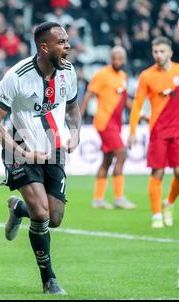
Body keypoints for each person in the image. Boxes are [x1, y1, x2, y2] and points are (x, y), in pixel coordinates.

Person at [0, 22, 80, 295]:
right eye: (61, 42)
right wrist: (24, 152)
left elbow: (73, 107)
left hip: (54, 150)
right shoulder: (16, 76)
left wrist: (76, 134)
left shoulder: (68, 72)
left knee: (56, 218)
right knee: (41, 214)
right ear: (44, 47)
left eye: (67, 41)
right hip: (20, 150)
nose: (68, 46)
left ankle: (17, 209)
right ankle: (49, 279)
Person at [128, 36, 179, 228]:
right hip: (157, 132)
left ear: (170, 52)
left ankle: (168, 203)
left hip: (178, 131)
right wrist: (132, 131)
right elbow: (137, 104)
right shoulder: (146, 75)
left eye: (162, 51)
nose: (158, 55)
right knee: (158, 173)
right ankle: (156, 215)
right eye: (155, 51)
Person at [80, 46, 136, 210]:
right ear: (110, 58)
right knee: (122, 153)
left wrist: (140, 114)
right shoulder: (102, 74)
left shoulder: (123, 76)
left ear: (124, 60)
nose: (117, 61)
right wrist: (80, 116)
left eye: (120, 58)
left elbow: (125, 100)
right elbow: (89, 94)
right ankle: (119, 198)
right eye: (114, 58)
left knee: (107, 159)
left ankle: (98, 199)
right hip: (105, 123)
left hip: (116, 124)